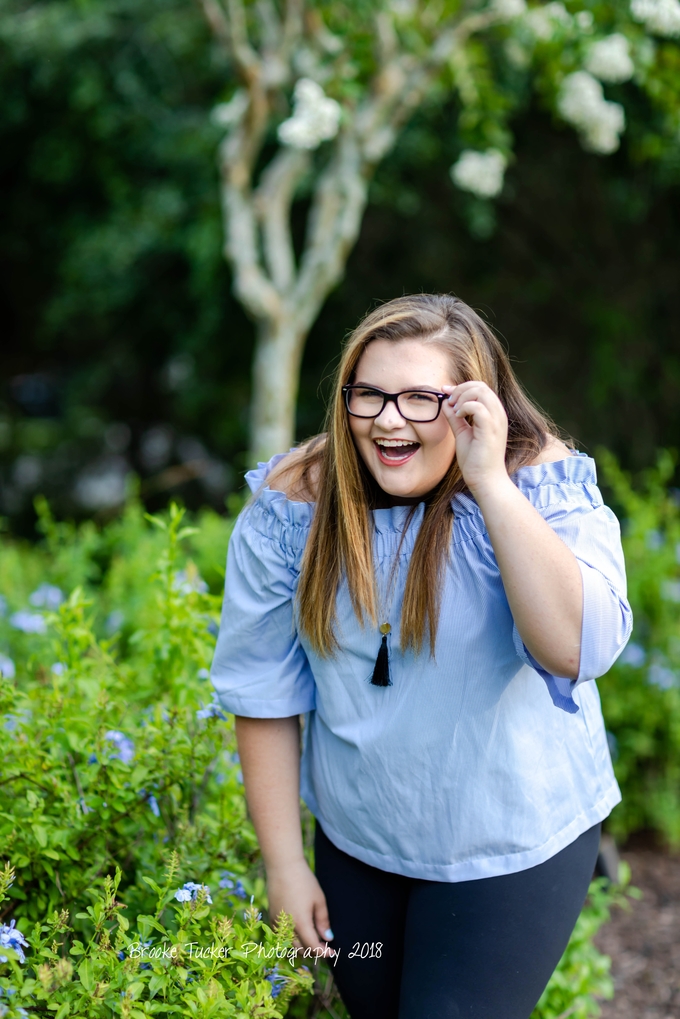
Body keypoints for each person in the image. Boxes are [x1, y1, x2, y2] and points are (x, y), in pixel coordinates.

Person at [211, 294, 632, 1019]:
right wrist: (284, 864)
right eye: (368, 395)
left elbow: (574, 648)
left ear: (474, 403)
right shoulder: (296, 506)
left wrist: (491, 480)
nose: (388, 420)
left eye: (419, 398)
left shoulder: (538, 482)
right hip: (361, 841)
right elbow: (263, 693)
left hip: (511, 843)